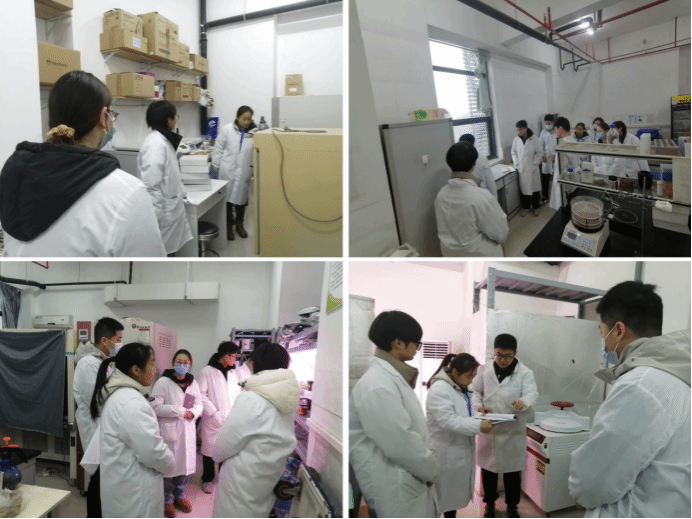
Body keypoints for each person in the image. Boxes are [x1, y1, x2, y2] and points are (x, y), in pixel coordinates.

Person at [0, 70, 165, 257]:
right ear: (103, 117)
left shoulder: (15, 175)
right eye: (111, 115)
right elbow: (150, 270)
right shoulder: (128, 193)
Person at [568, 282, 691, 518]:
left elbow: (594, 481)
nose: (603, 341)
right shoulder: (679, 377)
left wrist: (581, 495)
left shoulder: (640, 385)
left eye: (602, 333)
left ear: (619, 330)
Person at [350, 311, 440, 518]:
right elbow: (401, 442)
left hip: (407, 480)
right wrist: (432, 469)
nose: (417, 349)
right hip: (395, 488)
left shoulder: (391, 378)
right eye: (416, 343)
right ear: (398, 343)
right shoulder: (378, 385)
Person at [212, 343, 299, 518]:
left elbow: (222, 448)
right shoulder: (287, 402)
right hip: (264, 484)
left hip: (240, 488)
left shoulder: (251, 399)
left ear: (256, 365)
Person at [90, 343, 175, 518]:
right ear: (136, 370)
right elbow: (153, 452)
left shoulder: (120, 395)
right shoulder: (132, 402)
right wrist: (170, 461)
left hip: (123, 489)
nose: (155, 369)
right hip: (135, 498)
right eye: (152, 363)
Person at [470, 334, 538, 519]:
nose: (502, 360)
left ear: (515, 353)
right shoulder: (484, 370)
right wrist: (478, 406)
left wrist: (523, 402)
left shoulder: (525, 373)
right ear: (494, 352)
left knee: (512, 474)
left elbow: (532, 393)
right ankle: (490, 504)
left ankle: (512, 506)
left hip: (512, 431)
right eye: (498, 355)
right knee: (488, 471)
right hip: (490, 428)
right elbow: (475, 391)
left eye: (507, 356)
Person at [426, 353, 494, 519]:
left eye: (474, 376)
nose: (471, 381)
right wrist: (479, 425)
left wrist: (481, 417)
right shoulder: (439, 389)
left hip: (457, 452)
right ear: (455, 372)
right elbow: (448, 421)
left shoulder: (461, 389)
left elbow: (466, 414)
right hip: (444, 454)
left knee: (451, 500)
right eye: (469, 376)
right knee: (439, 500)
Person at [73, 317, 123, 518]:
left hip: (106, 430)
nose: (120, 344)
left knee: (105, 480)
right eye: (118, 339)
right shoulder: (88, 364)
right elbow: (98, 401)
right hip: (96, 430)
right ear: (104, 340)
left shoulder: (104, 363)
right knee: (99, 480)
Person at [151, 350, 204, 518]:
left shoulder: (191, 383)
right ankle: (167, 499)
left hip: (187, 429)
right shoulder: (163, 382)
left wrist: (192, 413)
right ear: (173, 363)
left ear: (191, 364)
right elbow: (155, 407)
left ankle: (180, 495)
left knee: (185, 466)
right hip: (170, 431)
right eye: (179, 362)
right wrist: (180, 411)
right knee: (169, 467)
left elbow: (197, 403)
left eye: (185, 362)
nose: (182, 365)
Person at [434, 141, 509, 257]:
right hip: (479, 256)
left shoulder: (441, 195)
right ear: (474, 164)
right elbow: (501, 233)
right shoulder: (481, 197)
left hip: (450, 255)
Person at [138, 101, 194, 256]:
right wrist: (154, 220)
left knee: (170, 251)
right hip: (163, 215)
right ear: (169, 120)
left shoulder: (163, 140)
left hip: (170, 209)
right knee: (165, 254)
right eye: (175, 116)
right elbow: (151, 186)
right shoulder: (155, 145)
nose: (177, 119)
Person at [198, 341, 243, 493]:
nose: (235, 359)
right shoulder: (207, 371)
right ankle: (207, 478)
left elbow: (237, 393)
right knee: (209, 451)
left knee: (227, 450)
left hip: (230, 419)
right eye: (234, 356)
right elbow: (200, 395)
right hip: (213, 418)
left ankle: (224, 478)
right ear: (225, 356)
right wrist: (214, 412)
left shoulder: (233, 373)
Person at [211, 106, 258, 241]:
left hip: (244, 170)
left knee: (241, 200)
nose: (246, 122)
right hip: (228, 169)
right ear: (237, 117)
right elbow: (218, 148)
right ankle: (229, 226)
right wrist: (216, 165)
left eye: (249, 119)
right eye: (244, 118)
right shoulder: (227, 129)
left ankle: (239, 225)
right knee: (227, 200)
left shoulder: (255, 133)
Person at [511, 120, 543, 217]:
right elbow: (513, 152)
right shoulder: (516, 140)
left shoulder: (534, 139)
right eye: (517, 129)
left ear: (526, 128)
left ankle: (536, 208)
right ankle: (526, 208)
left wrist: (534, 163)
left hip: (532, 168)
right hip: (522, 168)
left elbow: (539, 153)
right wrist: (517, 163)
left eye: (521, 129)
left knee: (535, 189)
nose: (519, 131)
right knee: (524, 190)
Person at [538, 114, 557, 205]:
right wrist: (542, 156)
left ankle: (557, 197)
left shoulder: (557, 132)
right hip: (546, 160)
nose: (547, 125)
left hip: (555, 159)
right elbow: (540, 145)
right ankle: (545, 196)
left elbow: (560, 145)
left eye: (549, 123)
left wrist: (556, 155)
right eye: (546, 123)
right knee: (545, 179)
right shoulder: (543, 132)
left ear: (553, 122)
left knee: (556, 179)